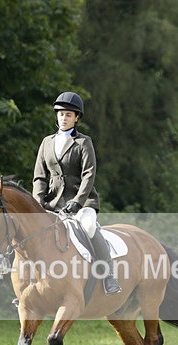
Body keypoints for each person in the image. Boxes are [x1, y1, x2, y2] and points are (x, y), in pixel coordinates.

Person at [32, 91, 122, 295]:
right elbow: (40, 177)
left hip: (82, 203)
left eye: (69, 115)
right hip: (53, 204)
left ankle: (108, 276)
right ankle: (30, 284)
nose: (64, 118)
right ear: (56, 116)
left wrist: (78, 202)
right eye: (61, 114)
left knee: (89, 227)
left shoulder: (83, 142)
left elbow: (89, 175)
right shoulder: (46, 142)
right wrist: (37, 203)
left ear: (77, 118)